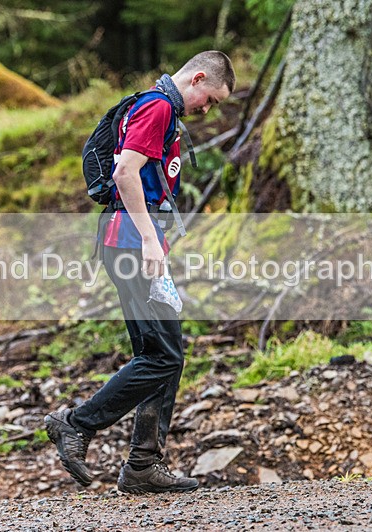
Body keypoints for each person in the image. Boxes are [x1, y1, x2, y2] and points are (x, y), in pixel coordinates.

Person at [45, 51, 235, 494]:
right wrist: (150, 239)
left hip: (136, 244)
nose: (207, 110)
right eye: (210, 99)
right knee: (162, 355)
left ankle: (144, 464)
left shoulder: (160, 108)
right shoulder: (159, 106)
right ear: (199, 77)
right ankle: (75, 424)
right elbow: (125, 171)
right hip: (131, 243)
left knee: (164, 353)